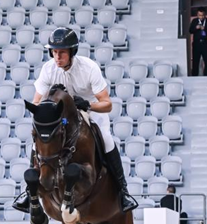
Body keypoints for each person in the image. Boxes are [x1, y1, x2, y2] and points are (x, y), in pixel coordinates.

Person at [13, 27, 138, 214]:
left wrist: (87, 104)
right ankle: (28, 192)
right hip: (61, 116)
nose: (57, 57)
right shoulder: (48, 69)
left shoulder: (89, 68)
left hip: (90, 111)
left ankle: (123, 190)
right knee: (39, 140)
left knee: (106, 139)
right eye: (54, 52)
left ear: (72, 52)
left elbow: (107, 104)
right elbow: (37, 101)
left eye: (62, 52)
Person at [189, 7, 207, 76]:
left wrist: (204, 28)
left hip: (205, 43)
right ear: (197, 15)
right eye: (200, 15)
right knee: (195, 62)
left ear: (205, 15)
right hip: (196, 44)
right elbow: (190, 30)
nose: (201, 17)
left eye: (203, 15)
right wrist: (196, 28)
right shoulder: (194, 21)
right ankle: (194, 76)